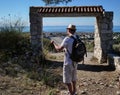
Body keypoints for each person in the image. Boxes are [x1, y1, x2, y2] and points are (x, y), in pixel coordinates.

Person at [51, 24, 78, 95]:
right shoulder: (76, 37)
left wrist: (53, 43)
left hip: (68, 62)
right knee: (73, 77)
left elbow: (59, 49)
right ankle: (74, 91)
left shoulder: (67, 39)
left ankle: (71, 93)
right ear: (74, 31)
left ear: (68, 30)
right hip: (75, 61)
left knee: (67, 80)